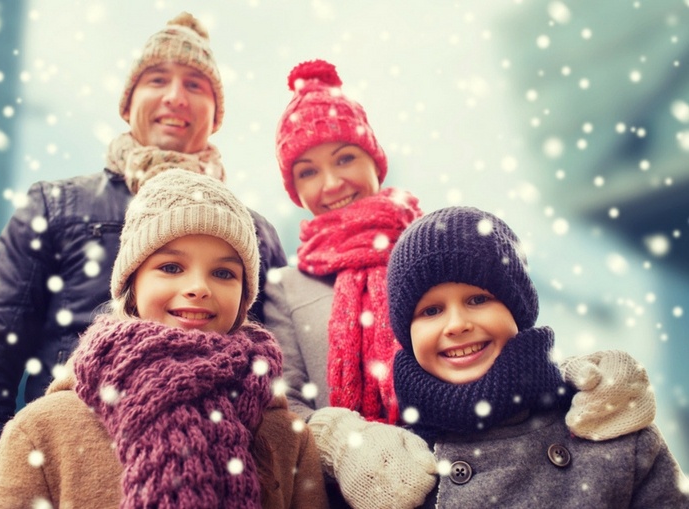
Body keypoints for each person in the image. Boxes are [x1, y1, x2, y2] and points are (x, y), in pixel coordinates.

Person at [263, 59, 659, 509]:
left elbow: (515, 332)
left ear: (374, 159)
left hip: (462, 453)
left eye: (344, 158)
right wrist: (346, 443)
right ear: (294, 188)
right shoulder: (287, 287)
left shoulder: (434, 246)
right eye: (308, 171)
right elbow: (283, 404)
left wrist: (583, 382)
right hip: (359, 493)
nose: (332, 182)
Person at [0, 13, 286, 509]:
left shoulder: (254, 233)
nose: (175, 96)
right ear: (128, 103)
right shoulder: (56, 205)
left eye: (195, 84)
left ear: (215, 113)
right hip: (74, 471)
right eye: (157, 79)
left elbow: (276, 372)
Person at [0, 169, 328, 509]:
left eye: (223, 273)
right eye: (171, 267)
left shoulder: (287, 437)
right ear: (133, 284)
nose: (198, 288)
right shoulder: (43, 432)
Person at [385, 205, 688, 508]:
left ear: (518, 310)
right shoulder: (394, 468)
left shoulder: (608, 426)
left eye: (478, 299)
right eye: (431, 310)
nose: (456, 325)